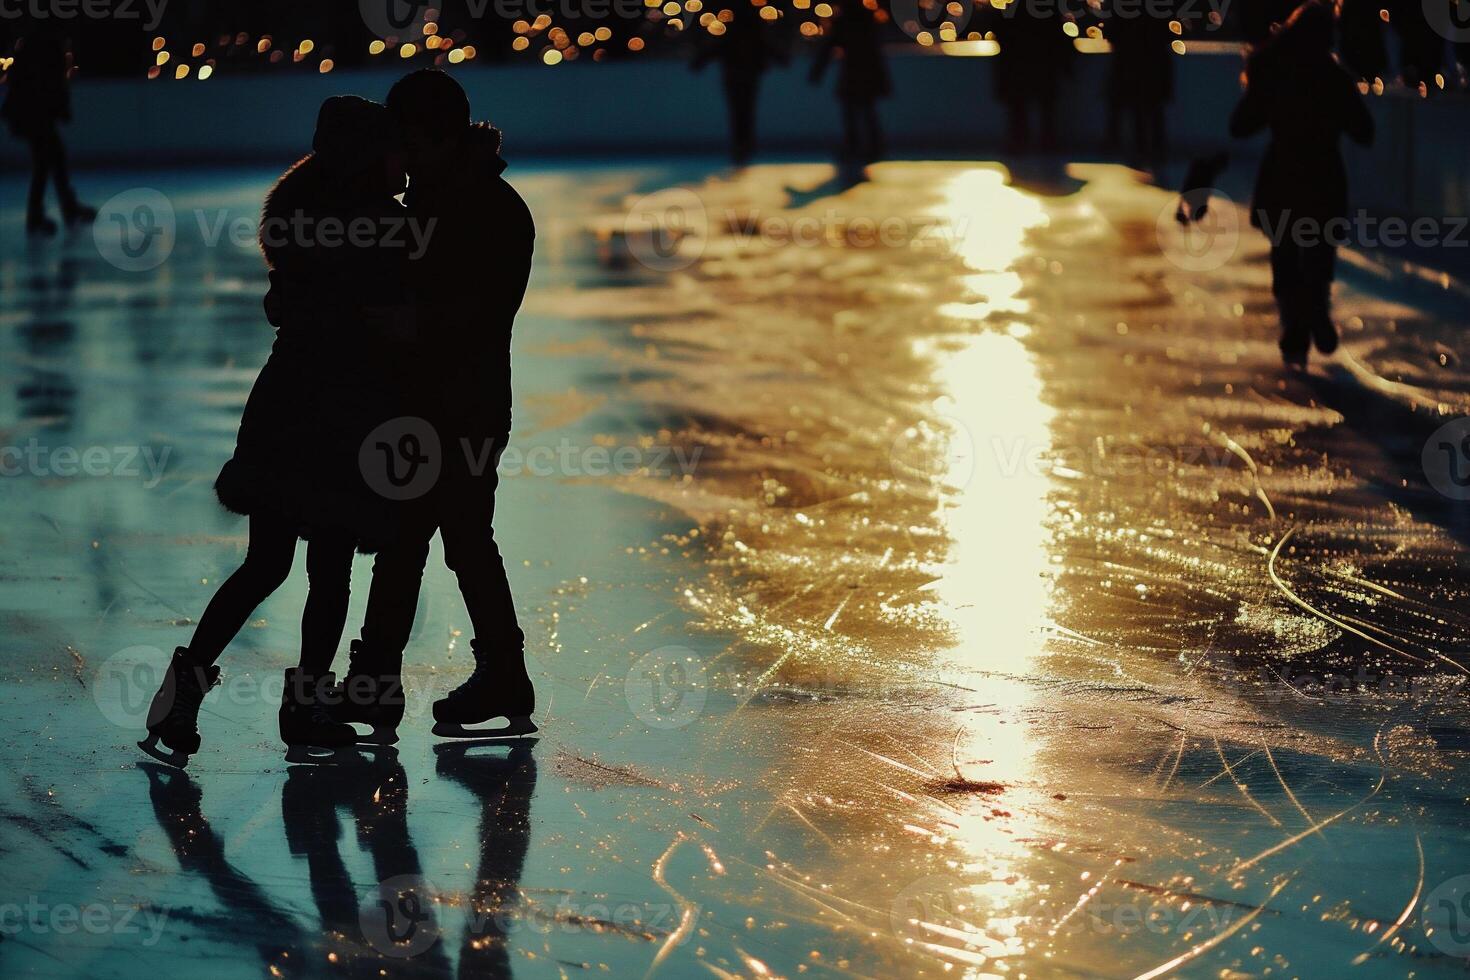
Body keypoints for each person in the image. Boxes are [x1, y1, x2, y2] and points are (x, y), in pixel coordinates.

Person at [139, 97, 413, 767]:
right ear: (365, 155)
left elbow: (299, 304)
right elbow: (389, 321)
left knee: (270, 561)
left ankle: (191, 684)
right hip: (340, 410)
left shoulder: (303, 216)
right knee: (329, 569)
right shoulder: (377, 224)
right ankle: (306, 704)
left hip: (289, 403)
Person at [334, 69, 538, 742]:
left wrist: (407, 325)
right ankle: (383, 681)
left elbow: (482, 309)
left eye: (407, 138)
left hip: (465, 406)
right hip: (428, 402)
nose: (399, 154)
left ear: (435, 135)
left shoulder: (487, 207)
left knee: (460, 540)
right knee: (411, 539)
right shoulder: (442, 198)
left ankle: (484, 673)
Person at [1229, 1, 1373, 369]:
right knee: (1319, 251)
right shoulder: (1333, 77)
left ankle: (1296, 321)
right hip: (1323, 175)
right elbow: (1364, 132)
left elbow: (1241, 125)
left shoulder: (1274, 71)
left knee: (1286, 251)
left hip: (1282, 174)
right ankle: (1315, 309)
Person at [1, 32, 95, 235]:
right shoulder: (49, 50)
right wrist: (62, 110)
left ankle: (60, 210)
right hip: (35, 116)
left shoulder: (40, 47)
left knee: (49, 162)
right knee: (47, 162)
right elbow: (50, 85)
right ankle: (50, 213)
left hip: (30, 115)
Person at [691, 0, 783, 167]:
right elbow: (764, 47)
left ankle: (742, 144)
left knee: (739, 110)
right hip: (745, 76)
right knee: (745, 110)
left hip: (737, 76)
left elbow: (718, 48)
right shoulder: (752, 33)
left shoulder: (735, 34)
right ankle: (744, 143)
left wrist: (700, 61)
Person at [808, 1, 891, 168]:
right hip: (867, 73)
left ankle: (856, 146)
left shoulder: (844, 22)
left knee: (853, 112)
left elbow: (828, 46)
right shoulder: (868, 19)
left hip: (854, 74)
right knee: (866, 110)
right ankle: (871, 146)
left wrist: (817, 72)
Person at [1103, 10, 1173, 171]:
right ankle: (1156, 149)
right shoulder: (1157, 12)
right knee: (1153, 110)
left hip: (1131, 66)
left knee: (1137, 111)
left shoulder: (1125, 12)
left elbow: (1112, 34)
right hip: (1154, 67)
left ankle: (1140, 150)